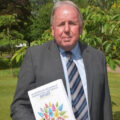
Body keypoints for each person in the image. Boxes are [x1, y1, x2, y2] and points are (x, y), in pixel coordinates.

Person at [10, 1, 113, 120]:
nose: (67, 29)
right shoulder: (35, 57)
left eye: (72, 23)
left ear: (81, 28)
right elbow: (19, 106)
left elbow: (105, 107)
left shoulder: (97, 58)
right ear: (53, 30)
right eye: (61, 24)